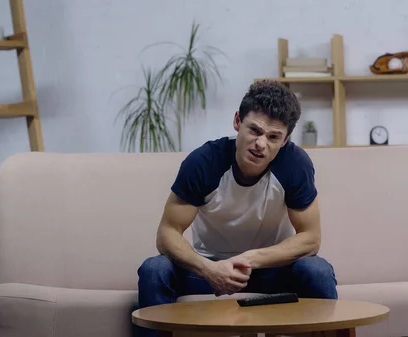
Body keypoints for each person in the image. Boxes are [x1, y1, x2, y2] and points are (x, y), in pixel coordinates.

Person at [136, 80, 337, 336]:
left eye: (273, 137)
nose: (260, 144)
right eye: (254, 130)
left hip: (270, 270)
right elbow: (167, 234)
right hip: (208, 268)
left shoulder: (295, 164)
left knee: (317, 271)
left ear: (285, 140)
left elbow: (311, 239)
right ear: (237, 122)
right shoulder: (204, 161)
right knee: (155, 269)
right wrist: (209, 269)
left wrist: (250, 259)